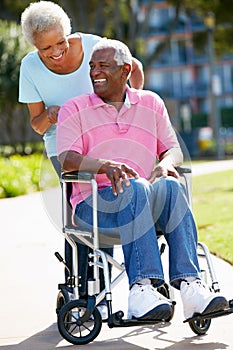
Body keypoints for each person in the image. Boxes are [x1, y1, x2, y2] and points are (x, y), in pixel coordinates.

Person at [56, 38, 228, 321]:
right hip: (95, 207)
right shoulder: (74, 108)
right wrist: (105, 166)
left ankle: (190, 288)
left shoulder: (151, 102)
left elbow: (173, 149)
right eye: (92, 66)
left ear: (125, 70)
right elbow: (67, 158)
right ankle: (142, 290)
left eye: (104, 66)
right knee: (134, 187)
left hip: (145, 201)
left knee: (171, 184)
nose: (95, 72)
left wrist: (165, 164)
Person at [18, 1, 144, 320]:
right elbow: (36, 124)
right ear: (35, 46)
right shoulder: (30, 68)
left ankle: (107, 288)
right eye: (46, 48)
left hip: (107, 139)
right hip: (65, 145)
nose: (56, 52)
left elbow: (135, 69)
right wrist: (49, 115)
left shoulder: (94, 47)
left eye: (60, 42)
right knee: (81, 213)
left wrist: (134, 108)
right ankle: (85, 287)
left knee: (110, 201)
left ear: (68, 32)